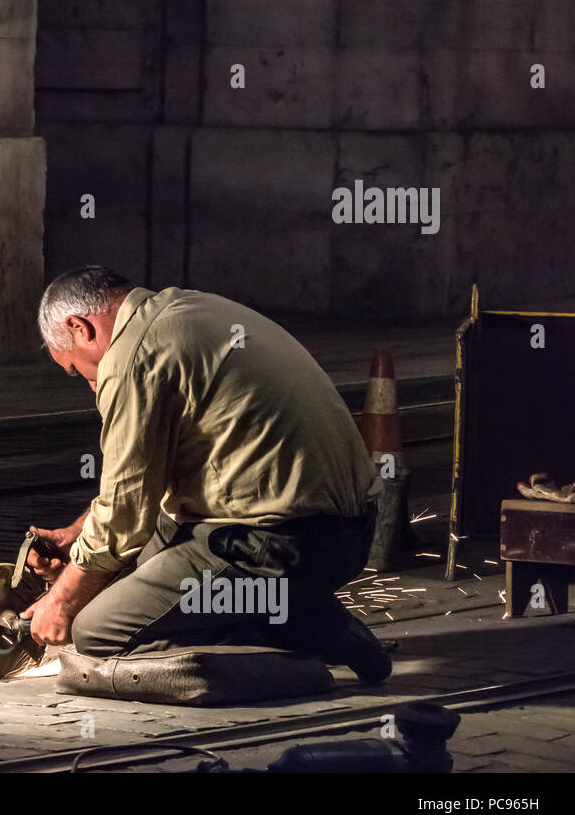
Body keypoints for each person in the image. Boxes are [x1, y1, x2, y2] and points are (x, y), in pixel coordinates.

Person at [24, 266, 391, 683]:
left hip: (280, 543)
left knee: (98, 630)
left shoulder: (132, 356)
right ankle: (296, 610)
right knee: (116, 580)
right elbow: (140, 486)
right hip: (349, 530)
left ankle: (304, 633)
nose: (91, 385)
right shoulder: (188, 308)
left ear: (80, 327)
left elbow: (125, 514)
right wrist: (79, 534)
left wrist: (64, 599)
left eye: (79, 371)